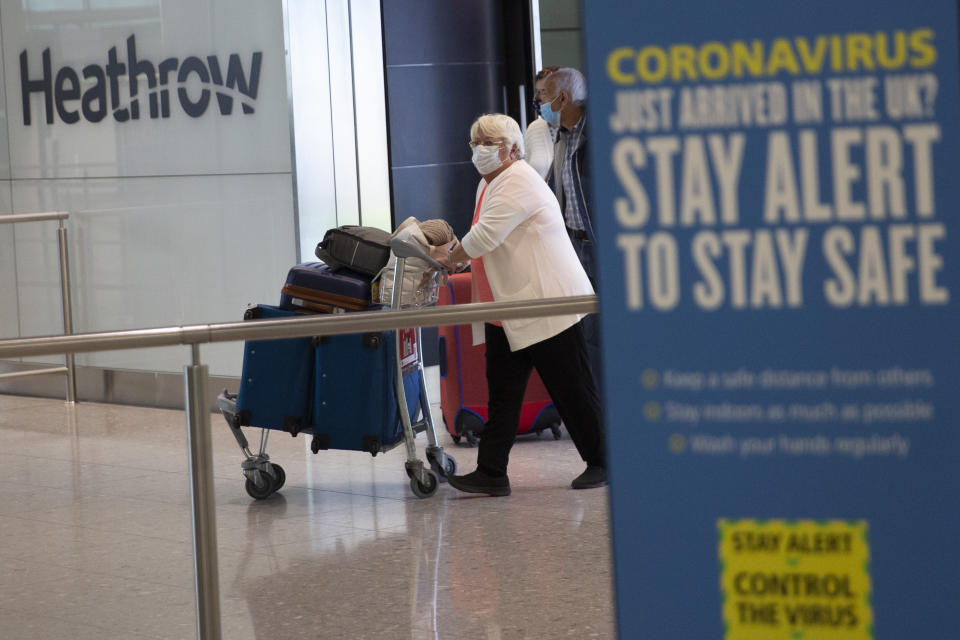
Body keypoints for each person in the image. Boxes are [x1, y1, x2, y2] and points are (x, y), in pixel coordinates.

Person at [436, 113, 607, 496]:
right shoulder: (490, 183)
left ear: (513, 149)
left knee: (572, 389)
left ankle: (604, 461)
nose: (480, 150)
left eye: (488, 143)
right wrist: (452, 255)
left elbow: (484, 236)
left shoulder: (519, 181)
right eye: (475, 142)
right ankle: (492, 471)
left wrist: (447, 256)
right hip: (509, 308)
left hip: (545, 303)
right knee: (503, 392)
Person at [540, 67, 603, 392]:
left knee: (600, 331)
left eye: (546, 97)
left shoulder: (600, 131)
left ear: (563, 98)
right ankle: (596, 402)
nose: (542, 104)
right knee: (585, 329)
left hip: (600, 247)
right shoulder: (560, 137)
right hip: (574, 247)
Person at [523, 66, 560, 180]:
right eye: (537, 92)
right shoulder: (534, 129)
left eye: (543, 92)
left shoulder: (581, 129)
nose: (537, 98)